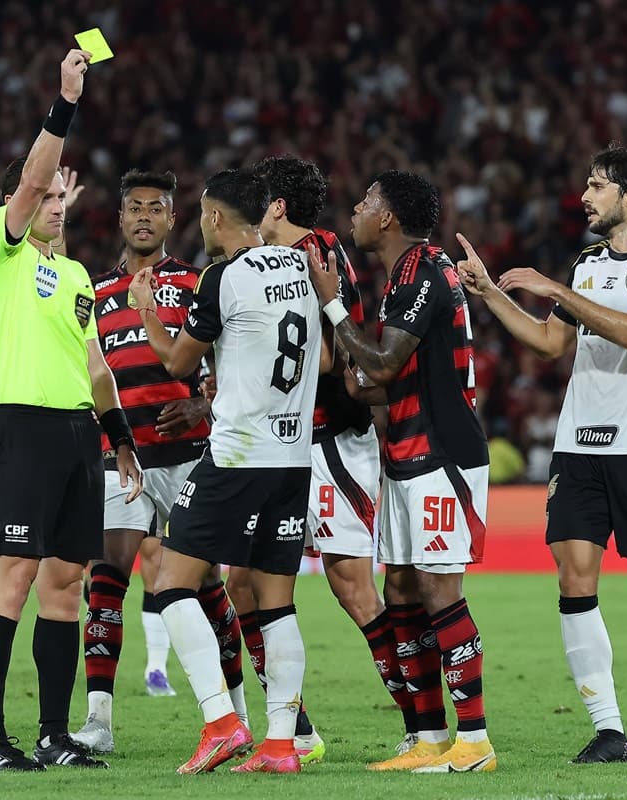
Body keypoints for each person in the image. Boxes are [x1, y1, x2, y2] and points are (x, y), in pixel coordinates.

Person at [455, 145, 627, 763]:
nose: (585, 196)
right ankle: (611, 731)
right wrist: (493, 297)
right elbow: (554, 343)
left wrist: (548, 285)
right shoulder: (586, 263)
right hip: (577, 445)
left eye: (598, 185)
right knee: (574, 578)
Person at [0, 49, 143, 771]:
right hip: (25, 427)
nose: (56, 203)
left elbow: (95, 367)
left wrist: (119, 440)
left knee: (65, 583)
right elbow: (35, 178)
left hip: (78, 435)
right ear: (22, 202)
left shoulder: (74, 275)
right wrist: (64, 104)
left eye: (61, 201)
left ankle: (53, 734)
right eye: (45, 199)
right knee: (14, 574)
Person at [129, 168, 325, 774]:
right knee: (276, 604)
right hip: (293, 459)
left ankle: (220, 721)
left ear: (216, 218)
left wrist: (145, 310)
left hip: (237, 455)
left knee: (170, 583)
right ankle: (280, 744)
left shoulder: (223, 277)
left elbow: (175, 360)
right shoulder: (301, 268)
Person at [221, 155, 415, 763]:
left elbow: (335, 360)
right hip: (281, 444)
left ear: (275, 208)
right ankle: (294, 728)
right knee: (243, 583)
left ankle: (421, 722)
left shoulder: (323, 253)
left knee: (351, 583)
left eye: (259, 204)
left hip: (333, 440)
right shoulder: (265, 262)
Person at [306, 170, 495, 773]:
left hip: (442, 454)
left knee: (440, 590)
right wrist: (356, 380)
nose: (356, 211)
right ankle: (430, 738)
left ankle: (475, 740)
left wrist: (332, 303)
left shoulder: (421, 270)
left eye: (365, 202)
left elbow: (385, 364)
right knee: (401, 590)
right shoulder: (405, 276)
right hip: (408, 454)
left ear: (387, 218)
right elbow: (385, 379)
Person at [68, 169, 247, 755]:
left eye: (156, 208)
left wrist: (201, 403)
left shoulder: (203, 282)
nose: (143, 216)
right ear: (120, 219)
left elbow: (232, 370)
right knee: (108, 576)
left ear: (173, 219)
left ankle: (237, 710)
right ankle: (99, 720)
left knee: (208, 587)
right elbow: (84, 377)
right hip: (124, 459)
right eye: (134, 207)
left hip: (193, 457)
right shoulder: (92, 295)